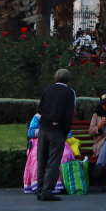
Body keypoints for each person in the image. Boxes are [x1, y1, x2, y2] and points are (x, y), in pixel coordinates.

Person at [35, 68, 75, 201]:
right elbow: (69, 114)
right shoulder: (69, 93)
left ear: (55, 78)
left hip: (43, 128)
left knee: (42, 159)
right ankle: (47, 190)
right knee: (53, 161)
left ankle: (40, 188)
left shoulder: (48, 90)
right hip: (57, 131)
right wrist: (64, 130)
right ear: (68, 79)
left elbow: (40, 109)